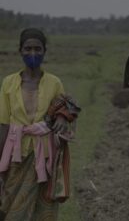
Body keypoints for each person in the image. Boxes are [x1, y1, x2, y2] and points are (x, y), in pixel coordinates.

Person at [0, 28, 78, 220]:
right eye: (28, 49)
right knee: (10, 206)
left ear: (44, 51)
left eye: (37, 48)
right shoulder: (8, 83)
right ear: (20, 50)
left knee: (44, 211)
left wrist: (61, 117)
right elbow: (3, 124)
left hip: (46, 156)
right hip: (16, 155)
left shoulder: (54, 82)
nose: (32, 53)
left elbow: (67, 107)